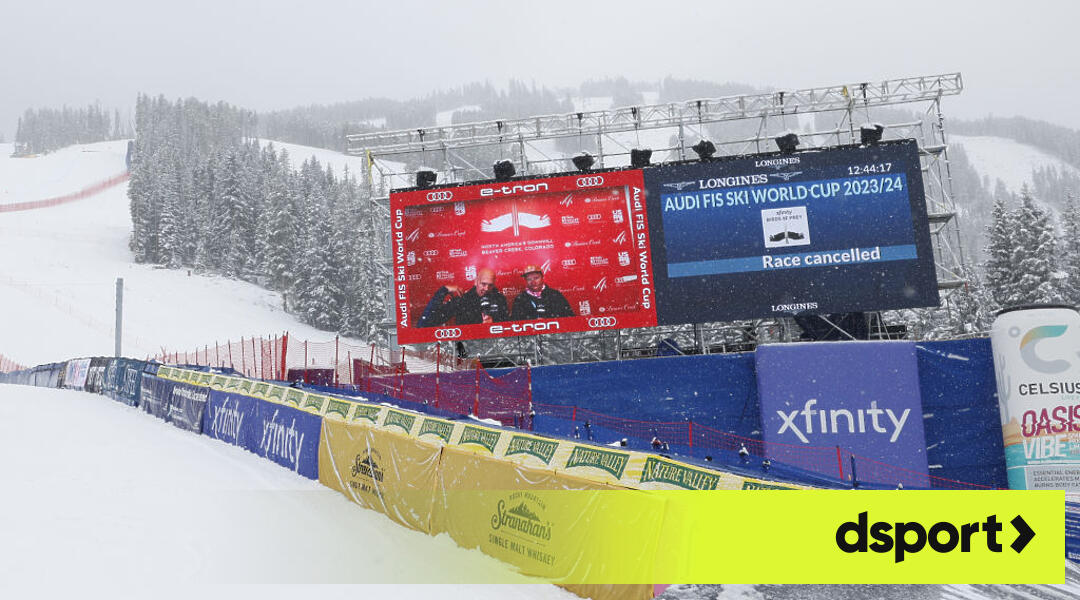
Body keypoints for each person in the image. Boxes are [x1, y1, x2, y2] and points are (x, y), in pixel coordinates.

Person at [417, 267, 509, 327]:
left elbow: (509, 326)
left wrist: (494, 323)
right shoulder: (463, 300)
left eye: (490, 285)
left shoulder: (500, 299)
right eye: (483, 284)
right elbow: (428, 321)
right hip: (468, 349)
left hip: (495, 348)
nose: (486, 288)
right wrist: (444, 290)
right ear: (476, 281)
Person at [509, 265, 575, 321]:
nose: (533, 282)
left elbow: (569, 317)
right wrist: (533, 321)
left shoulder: (555, 295)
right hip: (531, 334)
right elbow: (516, 321)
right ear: (525, 281)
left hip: (556, 334)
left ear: (543, 278)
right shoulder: (520, 299)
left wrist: (547, 321)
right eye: (529, 279)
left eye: (536, 278)